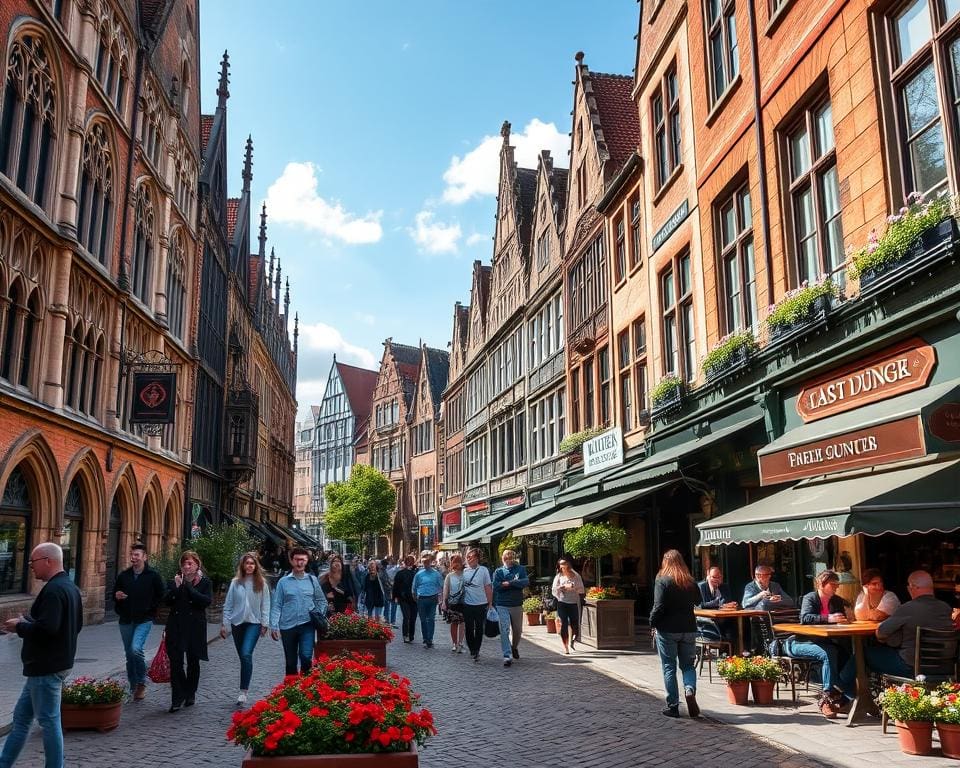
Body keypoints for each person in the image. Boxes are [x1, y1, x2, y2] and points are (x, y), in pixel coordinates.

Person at [0, 543, 82, 768]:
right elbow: (73, 625)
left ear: (48, 560)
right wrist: (28, 622)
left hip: (46, 667)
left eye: (33, 562)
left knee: (48, 722)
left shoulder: (55, 590)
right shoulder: (69, 587)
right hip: (47, 666)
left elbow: (49, 629)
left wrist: (20, 627)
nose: (31, 567)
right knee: (21, 720)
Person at [786, 570, 856, 719]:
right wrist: (828, 618)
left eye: (837, 584)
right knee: (828, 653)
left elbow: (840, 616)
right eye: (833, 584)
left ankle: (846, 697)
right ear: (821, 584)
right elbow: (805, 618)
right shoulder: (810, 598)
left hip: (825, 641)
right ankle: (826, 699)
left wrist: (843, 618)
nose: (836, 587)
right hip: (801, 642)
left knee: (848, 655)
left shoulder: (836, 600)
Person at [866, 570, 955, 678]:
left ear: (912, 587)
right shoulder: (946, 608)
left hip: (911, 667)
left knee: (864, 654)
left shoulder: (907, 608)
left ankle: (848, 690)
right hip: (943, 667)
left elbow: (881, 632)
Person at [649, 549, 701, 719]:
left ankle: (673, 706)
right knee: (688, 665)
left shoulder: (662, 580)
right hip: (688, 628)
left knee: (669, 666)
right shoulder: (690, 581)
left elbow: (658, 606)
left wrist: (652, 623)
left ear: (665, 562)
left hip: (668, 629)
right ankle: (689, 689)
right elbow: (699, 601)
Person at [112, 542, 165, 700]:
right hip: (126, 619)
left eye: (137, 555)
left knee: (136, 649)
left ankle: (141, 682)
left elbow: (161, 594)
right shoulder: (124, 575)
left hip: (144, 619)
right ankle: (133, 685)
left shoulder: (153, 576)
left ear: (144, 557)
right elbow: (115, 593)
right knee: (129, 654)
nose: (133, 558)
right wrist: (117, 596)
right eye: (132, 555)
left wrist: (151, 608)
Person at [163, 550, 212, 713]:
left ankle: (190, 692)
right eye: (184, 563)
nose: (186, 566)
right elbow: (166, 601)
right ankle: (177, 697)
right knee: (176, 662)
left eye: (190, 563)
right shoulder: (175, 581)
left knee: (193, 661)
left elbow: (205, 601)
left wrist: (189, 587)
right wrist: (177, 588)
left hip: (195, 627)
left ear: (197, 564)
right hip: (176, 626)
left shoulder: (204, 582)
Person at [220, 552, 271, 706]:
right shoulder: (235, 583)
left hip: (254, 623)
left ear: (256, 566)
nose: (249, 566)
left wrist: (265, 624)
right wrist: (225, 624)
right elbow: (228, 605)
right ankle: (243, 686)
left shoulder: (262, 583)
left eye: (252, 563)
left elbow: (266, 604)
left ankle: (243, 691)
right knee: (243, 657)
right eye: (247, 563)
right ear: (242, 565)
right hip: (237, 624)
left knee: (246, 653)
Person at [269, 547, 327, 676]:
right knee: (290, 662)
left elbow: (321, 601)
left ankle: (305, 687)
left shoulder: (312, 580)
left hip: (307, 624)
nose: (300, 563)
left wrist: (318, 614)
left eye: (303, 560)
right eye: (297, 559)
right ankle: (291, 690)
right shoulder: (283, 582)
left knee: (306, 657)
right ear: (291, 560)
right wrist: (274, 625)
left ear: (306, 561)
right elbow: (277, 605)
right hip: (287, 626)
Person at [492, 549, 529, 667]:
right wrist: (510, 584)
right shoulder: (498, 571)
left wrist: (510, 583)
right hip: (502, 604)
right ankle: (507, 655)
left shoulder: (520, 569)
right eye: (506, 558)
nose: (508, 560)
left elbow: (525, 582)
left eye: (510, 558)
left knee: (518, 631)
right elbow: (496, 586)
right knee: (504, 629)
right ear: (503, 558)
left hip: (516, 604)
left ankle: (514, 647)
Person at [460, 548, 493, 661]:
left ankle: (476, 649)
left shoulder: (483, 570)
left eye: (471, 557)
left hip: (481, 604)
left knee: (479, 628)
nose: (469, 559)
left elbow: (488, 586)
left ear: (477, 558)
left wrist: (490, 603)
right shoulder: (464, 572)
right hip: (468, 604)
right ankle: (472, 648)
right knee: (469, 628)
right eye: (467, 557)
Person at [696, 566, 737, 645]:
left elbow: (727, 601)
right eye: (714, 577)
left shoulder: (724, 586)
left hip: (723, 618)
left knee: (735, 624)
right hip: (707, 620)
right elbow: (701, 605)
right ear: (708, 576)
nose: (716, 580)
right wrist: (718, 603)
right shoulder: (701, 586)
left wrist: (731, 604)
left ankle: (732, 652)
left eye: (719, 577)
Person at [551, 557, 585, 654]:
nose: (563, 566)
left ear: (568, 564)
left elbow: (581, 590)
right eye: (561, 564)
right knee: (564, 624)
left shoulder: (576, 576)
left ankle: (572, 642)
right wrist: (560, 588)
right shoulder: (558, 576)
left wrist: (573, 588)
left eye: (564, 564)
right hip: (562, 603)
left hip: (573, 603)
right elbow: (554, 590)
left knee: (574, 625)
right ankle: (565, 647)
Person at [412, 552, 444, 648]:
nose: (426, 564)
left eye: (427, 562)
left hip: (432, 598)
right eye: (424, 562)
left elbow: (441, 585)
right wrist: (414, 596)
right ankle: (425, 637)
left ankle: (429, 639)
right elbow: (414, 586)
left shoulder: (436, 574)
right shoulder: (419, 574)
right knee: (423, 620)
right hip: (421, 599)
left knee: (431, 619)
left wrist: (440, 596)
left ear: (431, 562)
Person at [440, 553, 466, 652]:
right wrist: (444, 602)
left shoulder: (465, 574)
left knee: (462, 623)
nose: (456, 565)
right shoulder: (449, 576)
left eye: (458, 563)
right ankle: (454, 643)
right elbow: (445, 589)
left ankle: (460, 642)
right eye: (454, 563)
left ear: (461, 563)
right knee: (454, 623)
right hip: (452, 603)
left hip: (463, 603)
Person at [393, 554, 418, 643]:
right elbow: (396, 586)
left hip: (411, 598)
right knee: (408, 617)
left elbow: (395, 586)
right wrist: (395, 597)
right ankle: (407, 635)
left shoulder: (416, 573)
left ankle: (409, 635)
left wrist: (395, 597)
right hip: (405, 598)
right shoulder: (402, 573)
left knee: (411, 617)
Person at [385, 556, 400, 627]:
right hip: (392, 589)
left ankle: (388, 620)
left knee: (389, 605)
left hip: (390, 589)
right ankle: (391, 621)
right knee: (392, 605)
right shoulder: (395, 568)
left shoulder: (386, 569)